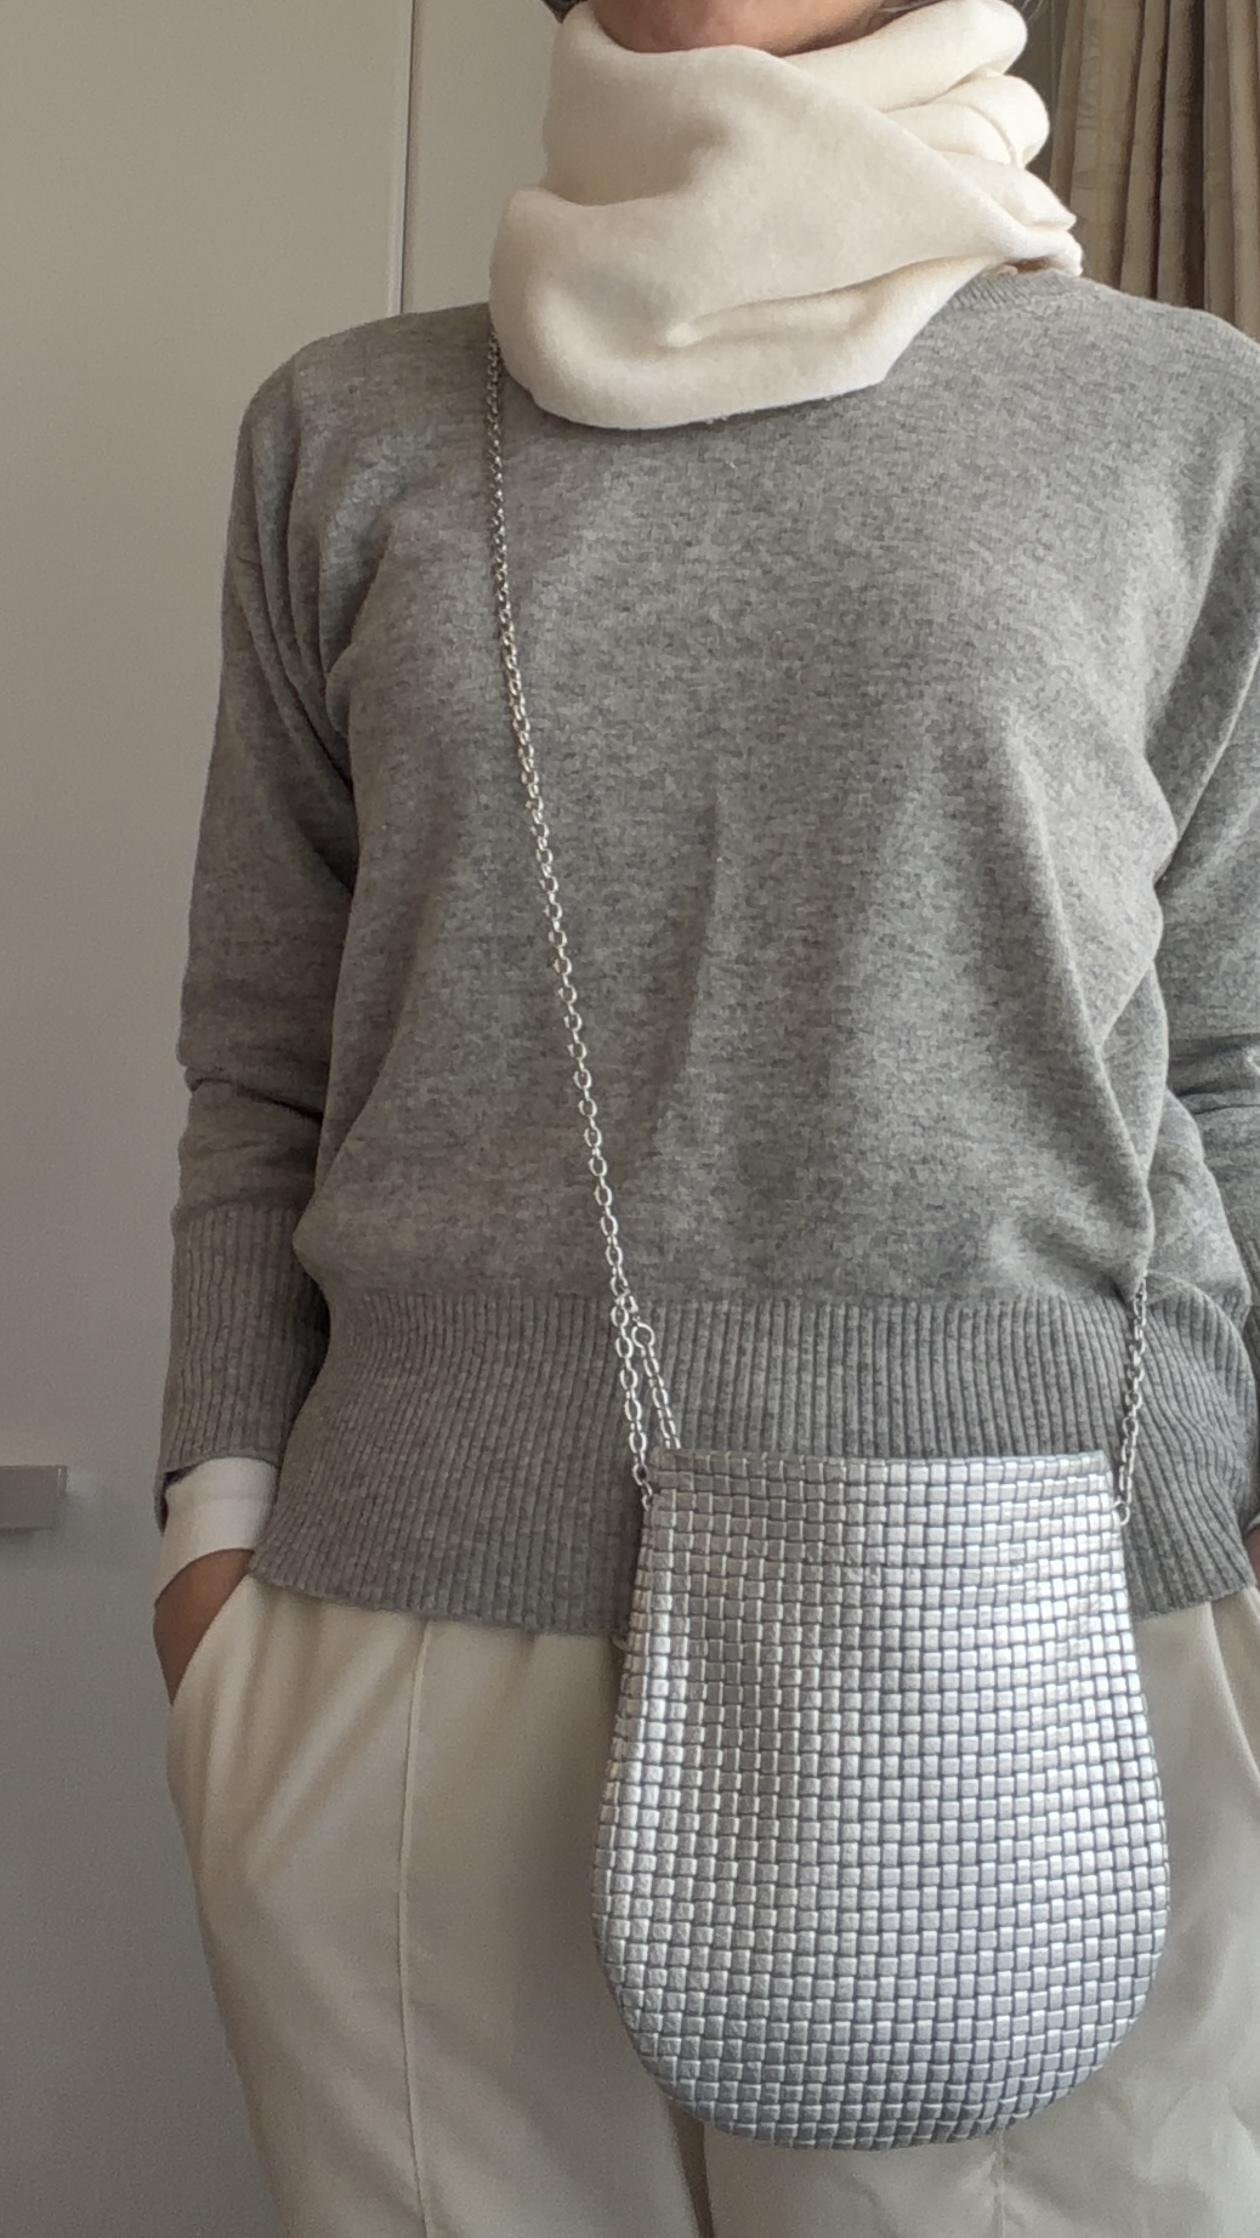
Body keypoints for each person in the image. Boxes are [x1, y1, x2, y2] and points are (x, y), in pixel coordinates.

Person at [152, 0, 1260, 2231]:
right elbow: (263, 1061)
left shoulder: (1187, 419)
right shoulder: (346, 431)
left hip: (1062, 1620)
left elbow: (1234, 1052)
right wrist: (211, 1561)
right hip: (406, 1628)